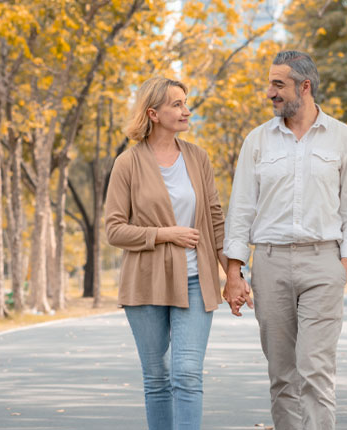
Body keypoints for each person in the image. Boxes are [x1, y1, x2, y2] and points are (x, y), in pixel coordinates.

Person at [223, 51, 347, 430]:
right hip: (270, 264)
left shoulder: (343, 138)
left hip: (324, 263)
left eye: (278, 84)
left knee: (315, 372)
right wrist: (234, 273)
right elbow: (240, 211)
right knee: (282, 376)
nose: (269, 92)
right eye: (269, 83)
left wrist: (344, 266)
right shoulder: (257, 141)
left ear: (304, 87)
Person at [105, 77, 228, 430]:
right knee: (157, 377)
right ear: (153, 113)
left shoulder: (198, 158)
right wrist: (164, 235)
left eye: (186, 102)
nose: (186, 110)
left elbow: (215, 220)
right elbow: (114, 229)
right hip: (146, 283)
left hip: (194, 280)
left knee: (187, 373)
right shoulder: (127, 164)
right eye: (177, 104)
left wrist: (233, 274)